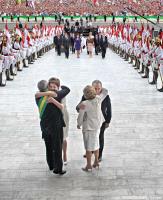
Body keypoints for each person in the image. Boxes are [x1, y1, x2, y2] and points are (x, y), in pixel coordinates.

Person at [35, 79, 70, 175]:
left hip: (44, 126)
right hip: (56, 126)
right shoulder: (55, 95)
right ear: (47, 88)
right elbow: (67, 89)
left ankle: (51, 165)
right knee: (57, 147)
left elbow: (36, 94)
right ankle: (58, 169)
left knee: (48, 146)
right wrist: (58, 88)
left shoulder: (38, 97)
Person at [76, 80, 112, 162]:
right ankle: (90, 152)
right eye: (95, 88)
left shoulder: (104, 97)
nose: (97, 90)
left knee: (99, 137)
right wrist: (80, 107)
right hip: (90, 122)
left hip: (101, 121)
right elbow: (78, 108)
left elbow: (109, 110)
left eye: (99, 89)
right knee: (90, 139)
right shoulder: (87, 96)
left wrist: (108, 121)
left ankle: (99, 156)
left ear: (101, 89)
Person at [77, 85, 102, 172]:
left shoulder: (84, 104)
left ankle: (88, 166)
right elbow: (105, 91)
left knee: (88, 148)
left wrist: (78, 124)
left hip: (88, 128)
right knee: (96, 145)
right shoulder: (98, 99)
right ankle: (96, 162)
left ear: (85, 94)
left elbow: (81, 116)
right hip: (97, 126)